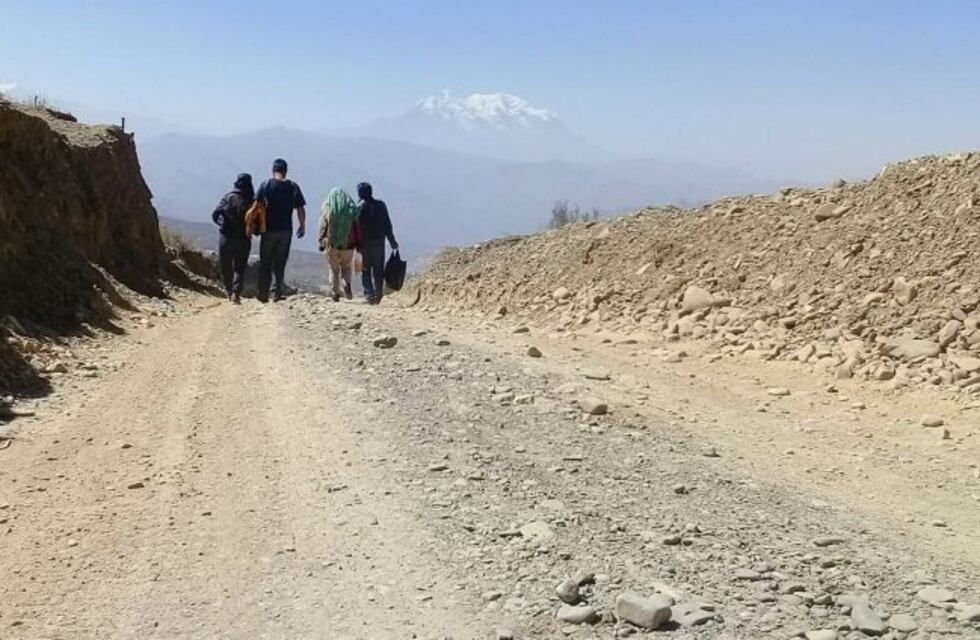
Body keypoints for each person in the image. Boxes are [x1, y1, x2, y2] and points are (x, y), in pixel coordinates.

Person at [255, 158, 306, 302]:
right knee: (280, 263)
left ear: (273, 170)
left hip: (268, 230)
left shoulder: (266, 184)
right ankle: (276, 293)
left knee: (265, 262)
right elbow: (300, 208)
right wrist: (302, 225)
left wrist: (261, 225)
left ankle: (263, 293)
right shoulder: (293, 186)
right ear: (286, 171)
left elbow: (259, 205)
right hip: (285, 231)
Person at [211, 173, 254, 304]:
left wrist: (221, 224)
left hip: (226, 237)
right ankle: (236, 292)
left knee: (226, 266)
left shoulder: (228, 197)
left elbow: (215, 214)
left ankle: (229, 291)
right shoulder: (252, 201)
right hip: (244, 239)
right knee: (240, 267)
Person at [355, 182, 398, 304]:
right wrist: (392, 240)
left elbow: (355, 228)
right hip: (378, 242)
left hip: (364, 243)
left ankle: (369, 293)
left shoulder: (359, 208)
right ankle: (378, 293)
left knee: (365, 269)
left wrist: (354, 243)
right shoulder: (381, 205)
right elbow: (387, 224)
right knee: (378, 269)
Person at [318, 187, 359, 302]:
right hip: (348, 245)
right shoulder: (351, 208)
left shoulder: (328, 207)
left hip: (332, 244)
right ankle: (346, 283)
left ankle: (335, 292)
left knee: (333, 269)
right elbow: (356, 226)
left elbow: (323, 226)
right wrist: (358, 242)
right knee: (346, 267)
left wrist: (321, 239)